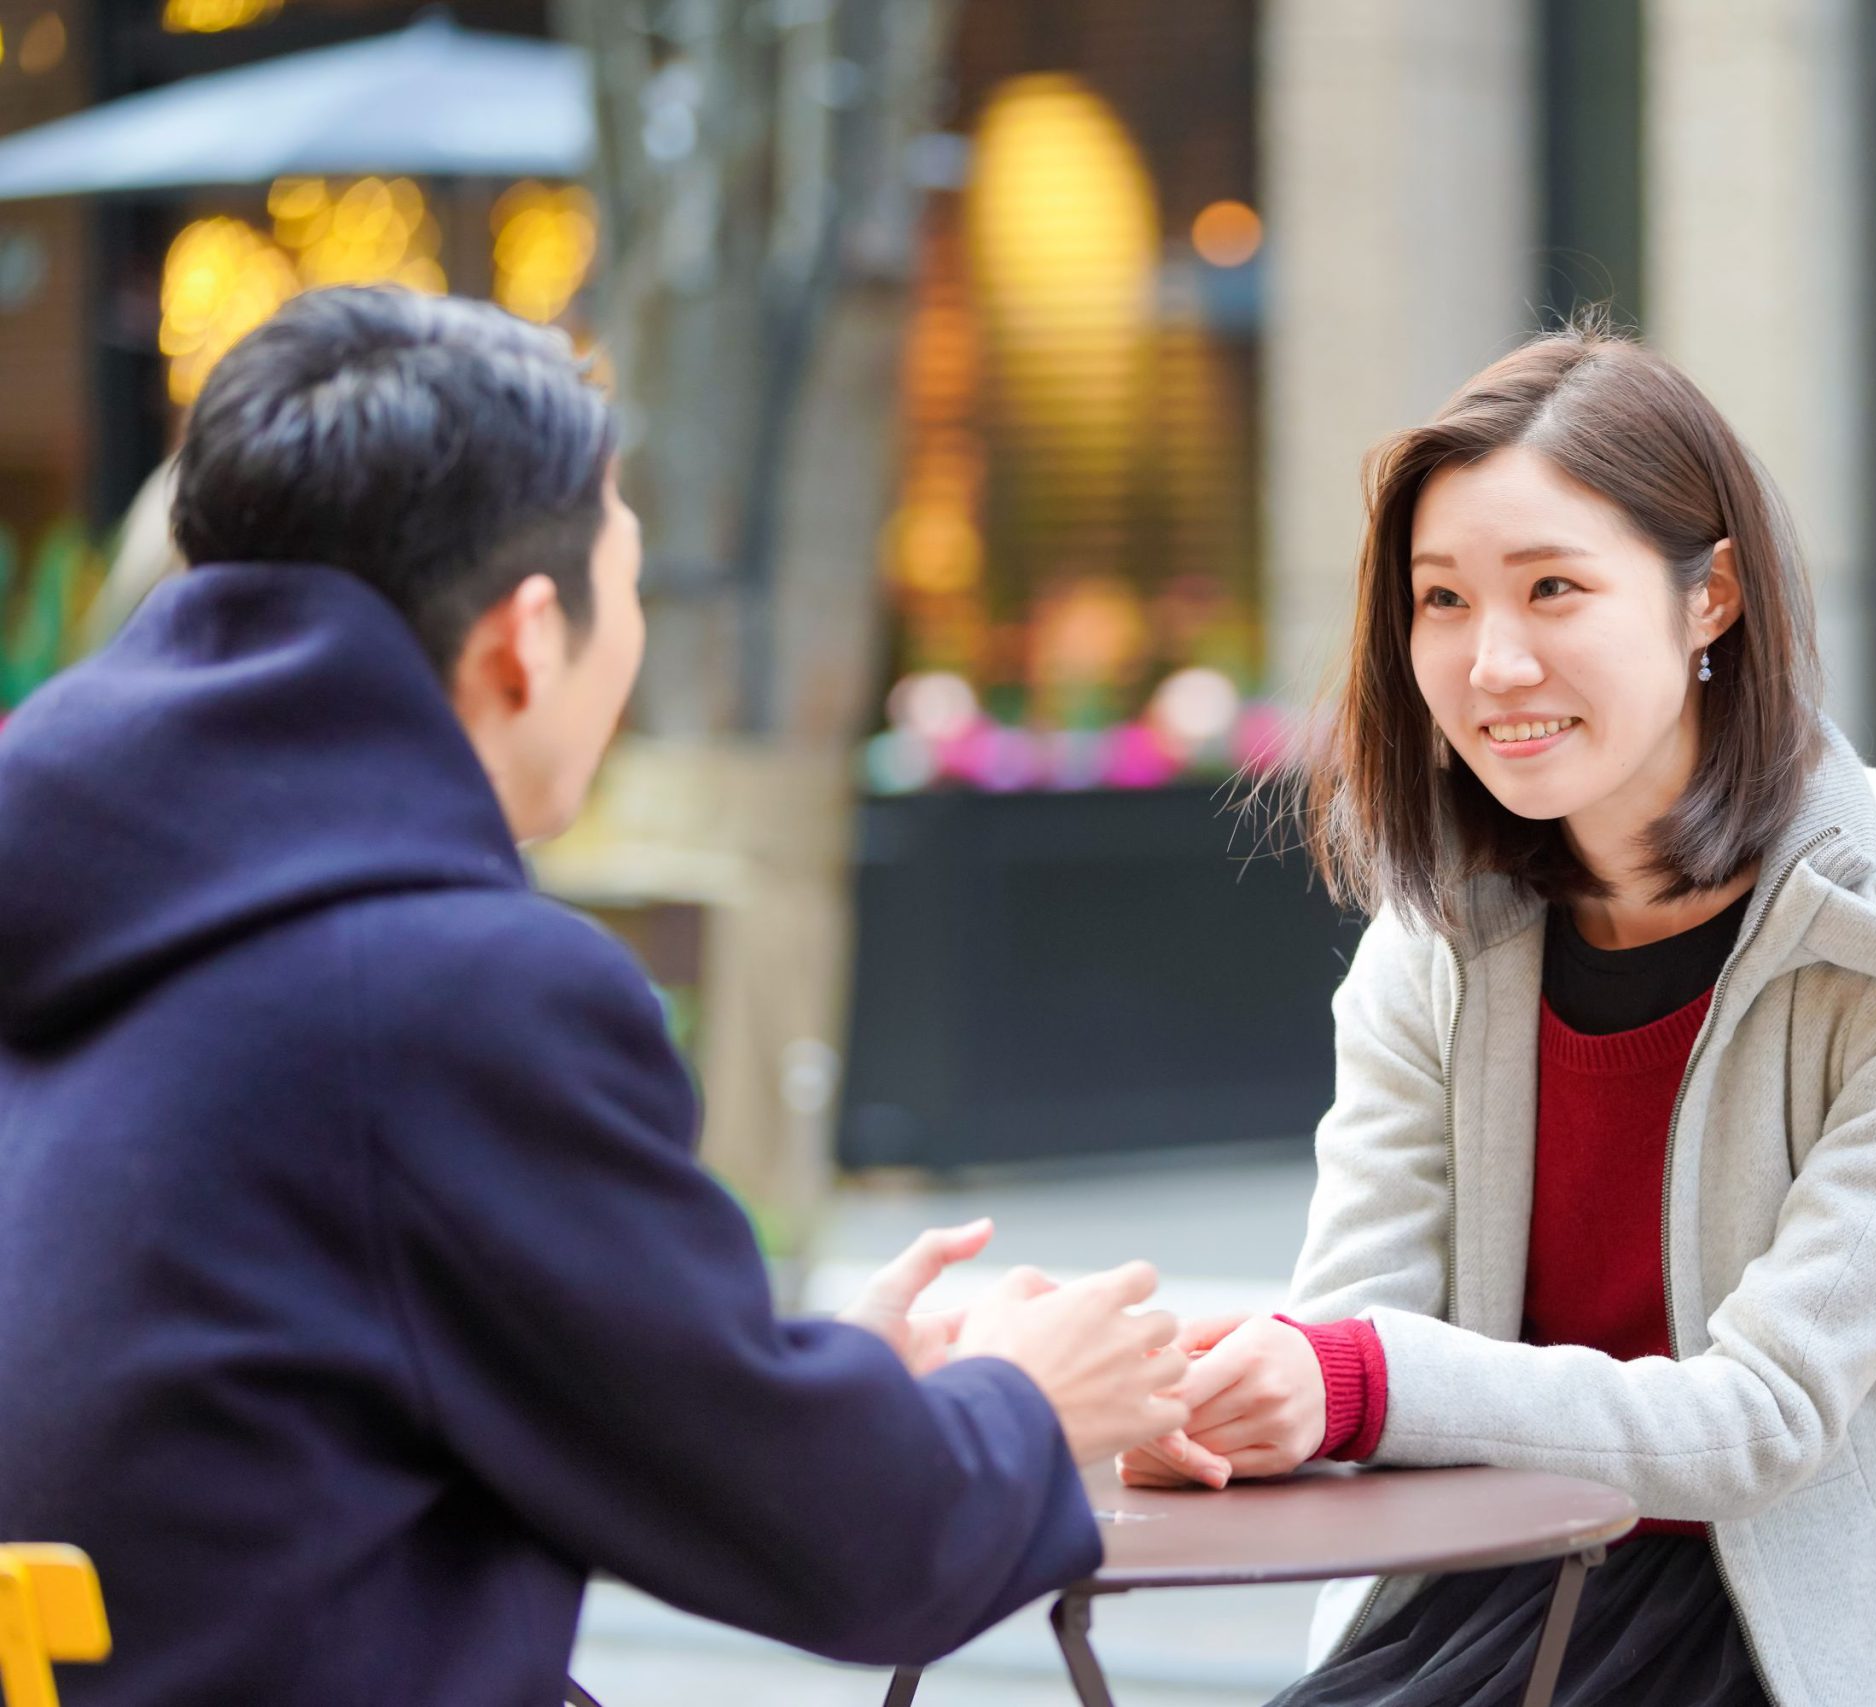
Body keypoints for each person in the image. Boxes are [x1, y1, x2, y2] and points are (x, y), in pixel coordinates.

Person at [0, 287, 1185, 1705]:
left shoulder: (85, 914)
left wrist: (788, 1381)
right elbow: (857, 1546)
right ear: (528, 636)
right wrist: (1029, 1402)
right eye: (631, 580)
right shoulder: (445, 993)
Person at [1118, 325, 1876, 1707]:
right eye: (1444, 600)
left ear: (1709, 598)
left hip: (1811, 1645)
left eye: (1554, 589)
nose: (1493, 665)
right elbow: (1355, 1336)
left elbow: (1763, 1424)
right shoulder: (1439, 944)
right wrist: (1232, 1409)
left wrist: (1351, 1380)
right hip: (1484, 1607)